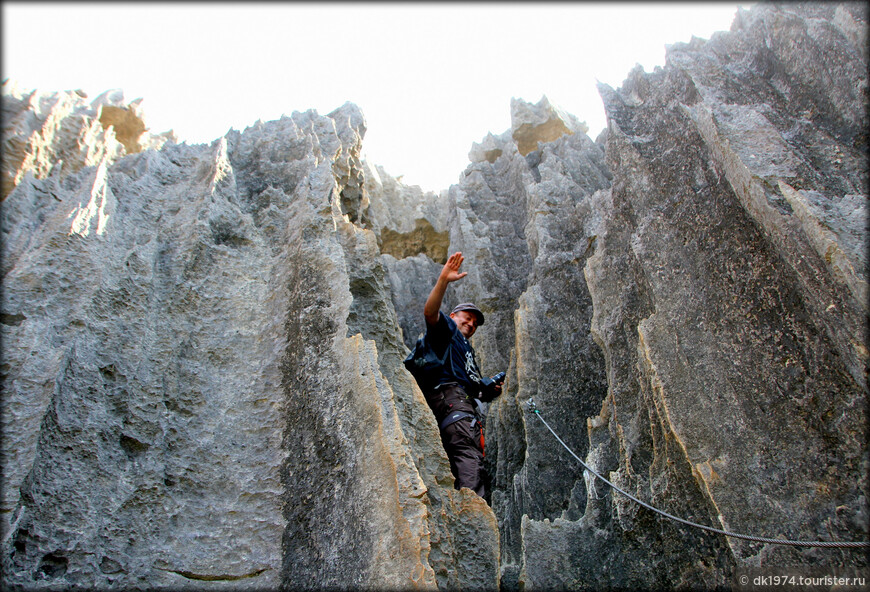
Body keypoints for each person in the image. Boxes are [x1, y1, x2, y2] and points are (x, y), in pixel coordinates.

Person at [421, 251, 503, 499]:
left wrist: (485, 390)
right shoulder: (447, 331)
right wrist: (443, 281)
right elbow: (430, 313)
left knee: (466, 461)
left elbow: (468, 383)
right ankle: (475, 514)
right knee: (469, 460)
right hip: (454, 407)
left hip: (458, 407)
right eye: (467, 318)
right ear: (453, 316)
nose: (471, 324)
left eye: (475, 323)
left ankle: (467, 509)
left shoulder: (464, 348)